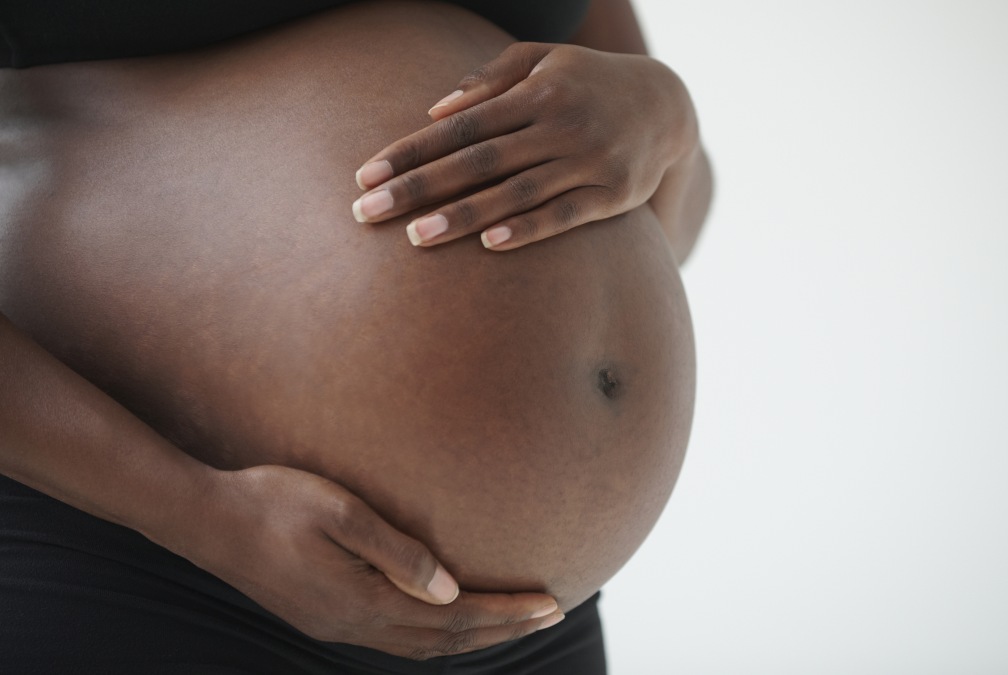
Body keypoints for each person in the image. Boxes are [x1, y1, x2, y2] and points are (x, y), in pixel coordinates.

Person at [0, 0, 712, 672]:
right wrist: (198, 513)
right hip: (154, 561)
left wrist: (670, 118)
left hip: (535, 627)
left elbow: (666, 216)